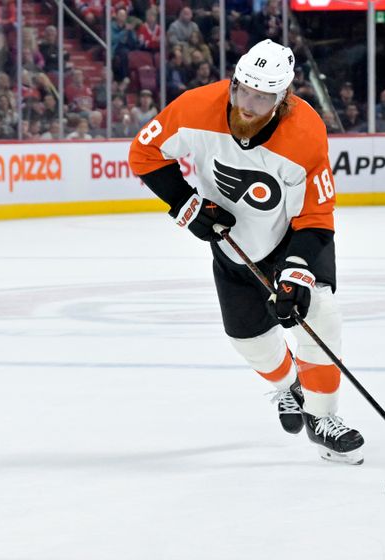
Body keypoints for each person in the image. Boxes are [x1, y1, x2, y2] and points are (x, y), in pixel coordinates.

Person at [128, 39, 365, 464]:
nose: (248, 104)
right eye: (243, 90)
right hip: (231, 247)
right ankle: (290, 386)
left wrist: (294, 273)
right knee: (248, 341)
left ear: (284, 97)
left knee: (320, 319)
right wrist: (185, 203)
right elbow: (144, 152)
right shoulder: (195, 108)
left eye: (262, 96)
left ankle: (323, 418)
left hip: (293, 238)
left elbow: (316, 215)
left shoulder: (306, 131)